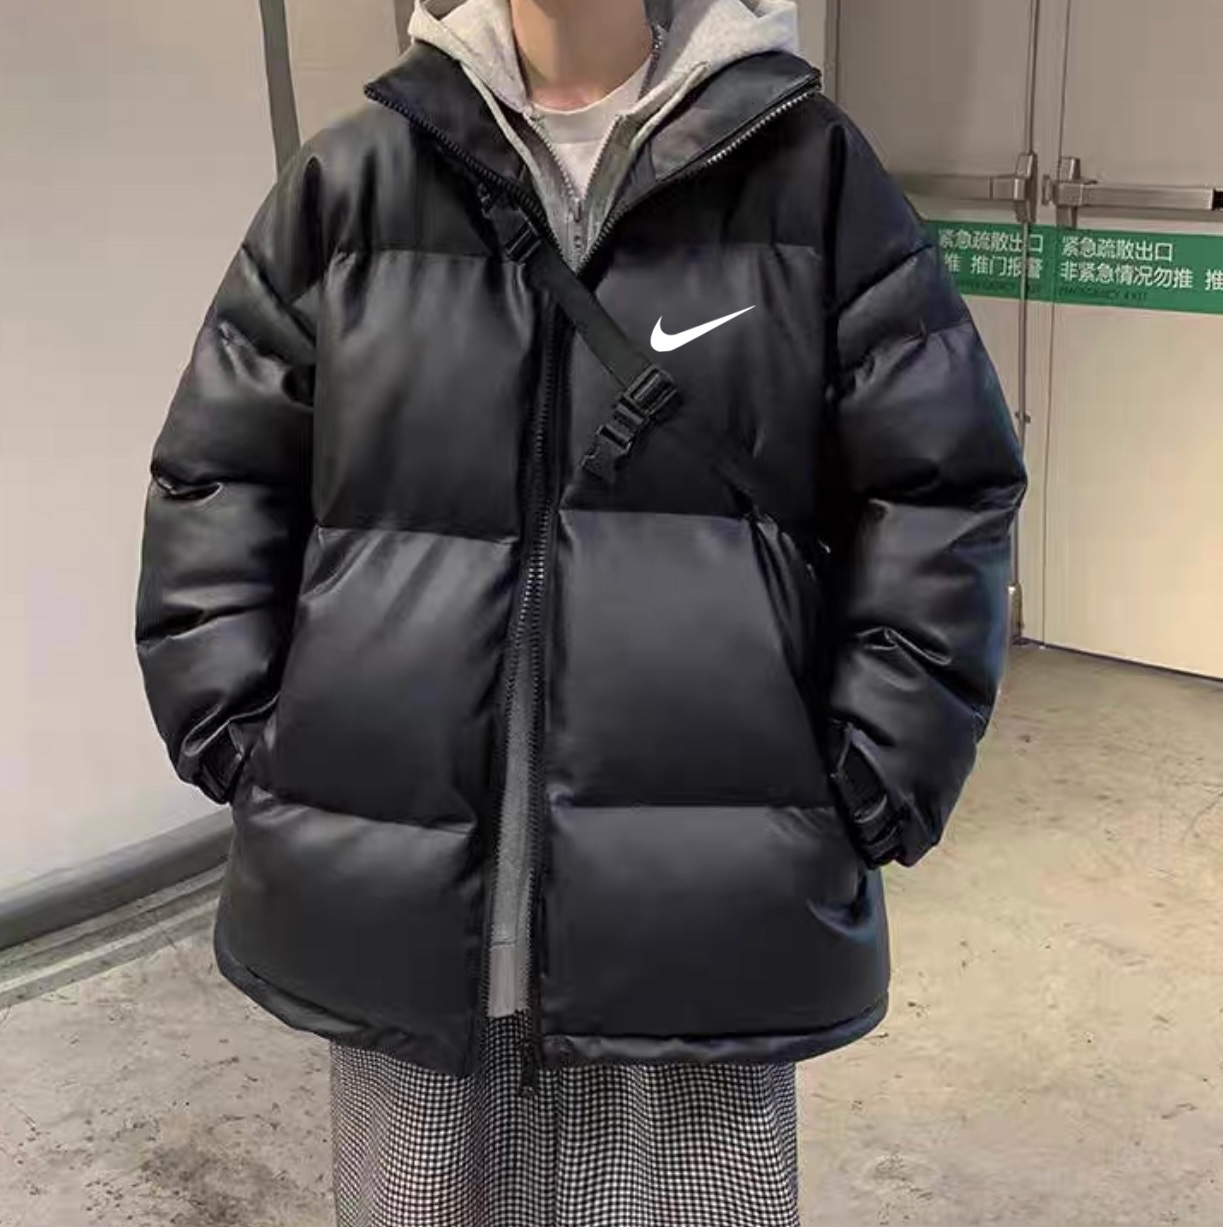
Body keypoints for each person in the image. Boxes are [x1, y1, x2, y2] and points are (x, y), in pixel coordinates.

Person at [134, 0, 1027, 1223]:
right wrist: (245, 739)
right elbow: (220, 475)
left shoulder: (802, 173)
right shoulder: (356, 181)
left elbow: (939, 482)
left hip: (703, 884)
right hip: (400, 894)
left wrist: (879, 767)